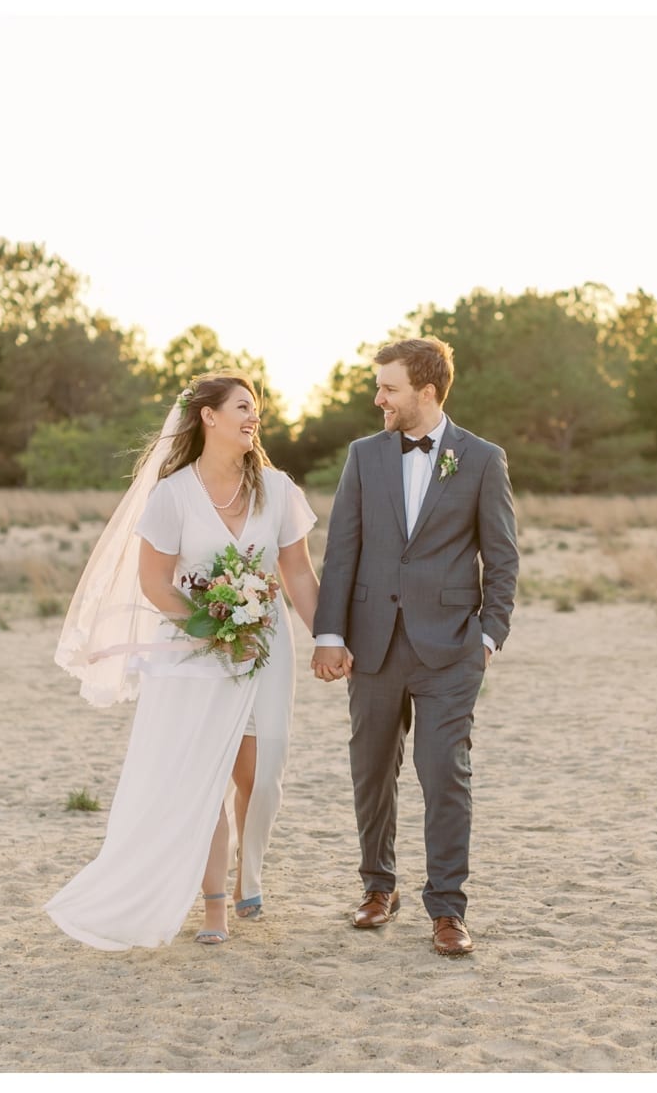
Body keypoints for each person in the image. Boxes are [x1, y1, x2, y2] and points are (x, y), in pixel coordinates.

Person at [48, 371, 321, 949]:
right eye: (243, 406)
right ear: (208, 417)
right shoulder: (172, 495)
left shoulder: (278, 489)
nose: (254, 417)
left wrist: (328, 637)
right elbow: (154, 582)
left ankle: (251, 870)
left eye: (258, 409)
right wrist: (213, 629)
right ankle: (215, 906)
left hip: (267, 647)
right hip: (197, 652)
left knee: (261, 777)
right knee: (208, 775)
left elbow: (296, 571)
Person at [311, 336, 518, 957]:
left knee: (444, 773)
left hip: (452, 648)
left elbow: (502, 556)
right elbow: (342, 548)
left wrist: (488, 637)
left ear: (426, 392)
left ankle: (448, 909)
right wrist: (329, 632)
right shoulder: (363, 456)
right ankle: (378, 887)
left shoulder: (482, 459)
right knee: (372, 770)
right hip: (372, 645)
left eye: (389, 387)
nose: (378, 398)